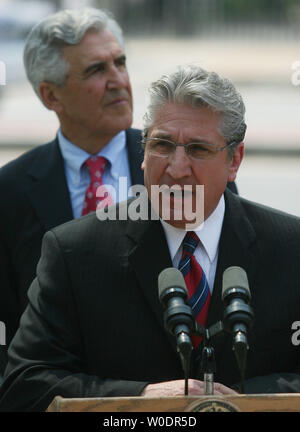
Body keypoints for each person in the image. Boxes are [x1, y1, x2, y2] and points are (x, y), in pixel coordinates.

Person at [2, 65, 293, 413]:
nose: (177, 167)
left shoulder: (291, 248)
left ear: (235, 160)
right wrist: (141, 398)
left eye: (198, 149)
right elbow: (24, 384)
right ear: (143, 152)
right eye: (162, 145)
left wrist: (236, 402)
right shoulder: (75, 252)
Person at [0, 8, 145, 375]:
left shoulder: (183, 165)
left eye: (120, 63)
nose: (118, 80)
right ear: (51, 95)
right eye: (97, 70)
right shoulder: (10, 192)